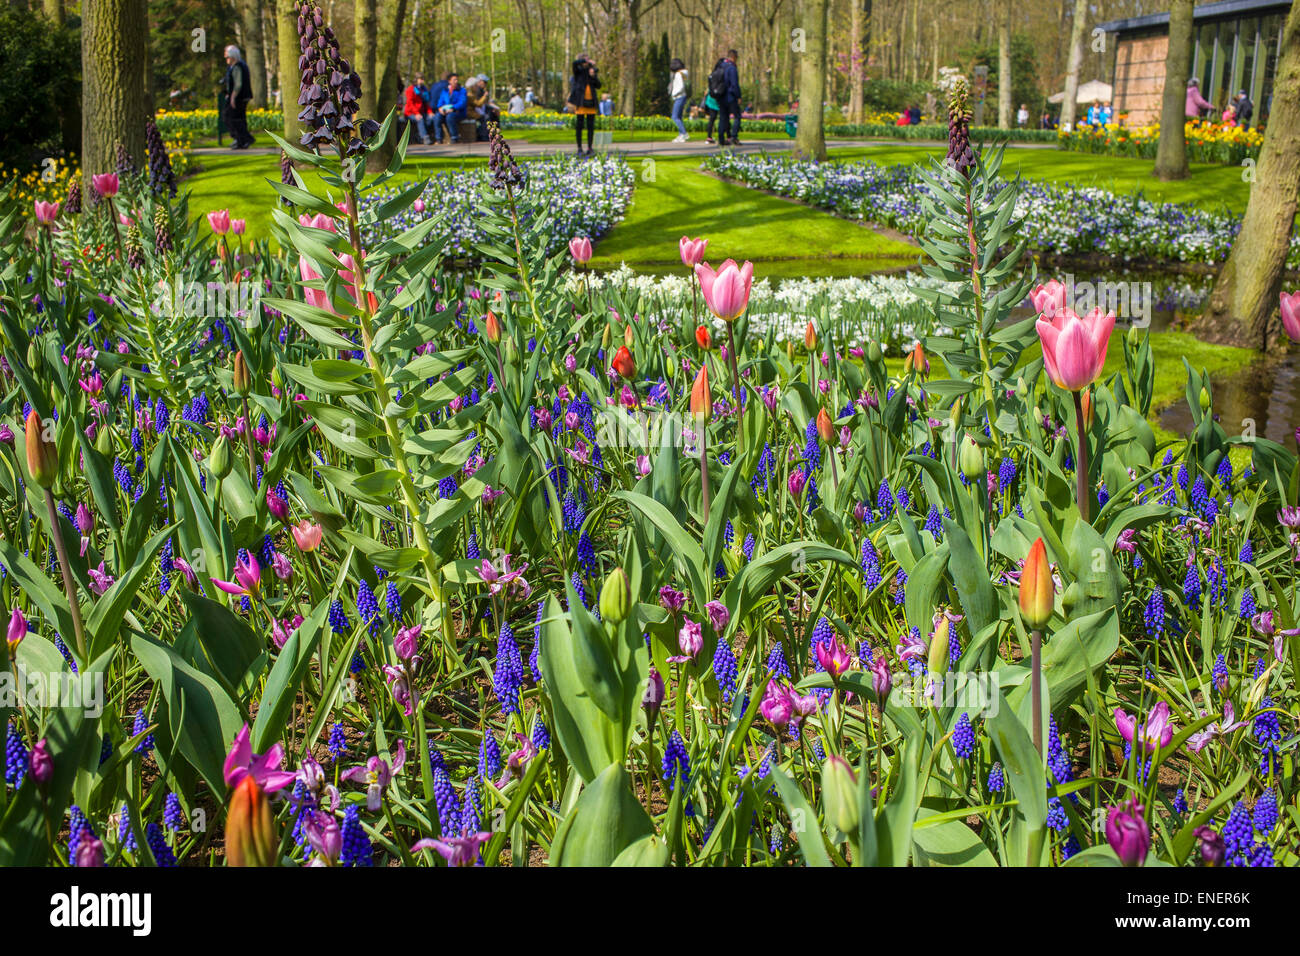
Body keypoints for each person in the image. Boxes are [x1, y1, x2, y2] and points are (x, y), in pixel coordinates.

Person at [222, 45, 255, 150]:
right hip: (242, 96)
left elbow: (238, 84)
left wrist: (232, 97)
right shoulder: (238, 66)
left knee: (230, 117)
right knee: (239, 119)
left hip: (238, 97)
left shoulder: (237, 67)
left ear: (233, 57)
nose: (226, 59)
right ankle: (242, 140)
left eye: (227, 57)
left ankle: (243, 138)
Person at [568, 55, 600, 156]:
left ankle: (590, 147)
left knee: (590, 127)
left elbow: (598, 85)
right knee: (579, 126)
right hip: (581, 103)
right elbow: (574, 64)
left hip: (591, 104)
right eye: (585, 61)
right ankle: (579, 148)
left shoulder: (591, 72)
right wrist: (584, 60)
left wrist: (593, 76)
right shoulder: (578, 72)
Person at [714, 49, 742, 145]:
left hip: (721, 96)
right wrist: (738, 96)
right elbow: (734, 84)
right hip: (730, 96)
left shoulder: (721, 66)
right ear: (734, 57)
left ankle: (721, 139)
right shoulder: (732, 68)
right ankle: (734, 137)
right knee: (737, 116)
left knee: (723, 117)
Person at [433, 73, 467, 144]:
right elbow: (440, 102)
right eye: (454, 80)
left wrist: (453, 108)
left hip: (458, 112)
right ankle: (439, 138)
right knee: (437, 117)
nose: (456, 81)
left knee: (450, 117)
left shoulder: (462, 90)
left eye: (457, 79)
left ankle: (454, 137)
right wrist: (440, 108)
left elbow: (462, 103)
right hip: (446, 111)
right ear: (449, 81)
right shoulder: (445, 91)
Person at [403, 74, 432, 144]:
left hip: (421, 112)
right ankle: (425, 138)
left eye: (423, 79)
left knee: (431, 118)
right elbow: (410, 103)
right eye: (420, 79)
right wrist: (416, 113)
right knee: (420, 119)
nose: (422, 80)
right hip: (410, 113)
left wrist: (430, 112)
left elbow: (426, 102)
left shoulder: (424, 89)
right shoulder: (410, 89)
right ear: (416, 80)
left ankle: (419, 135)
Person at [668, 57, 690, 142]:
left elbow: (680, 86)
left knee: (674, 116)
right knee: (679, 117)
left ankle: (684, 133)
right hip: (683, 96)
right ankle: (681, 134)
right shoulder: (684, 73)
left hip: (679, 96)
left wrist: (674, 94)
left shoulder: (678, 74)